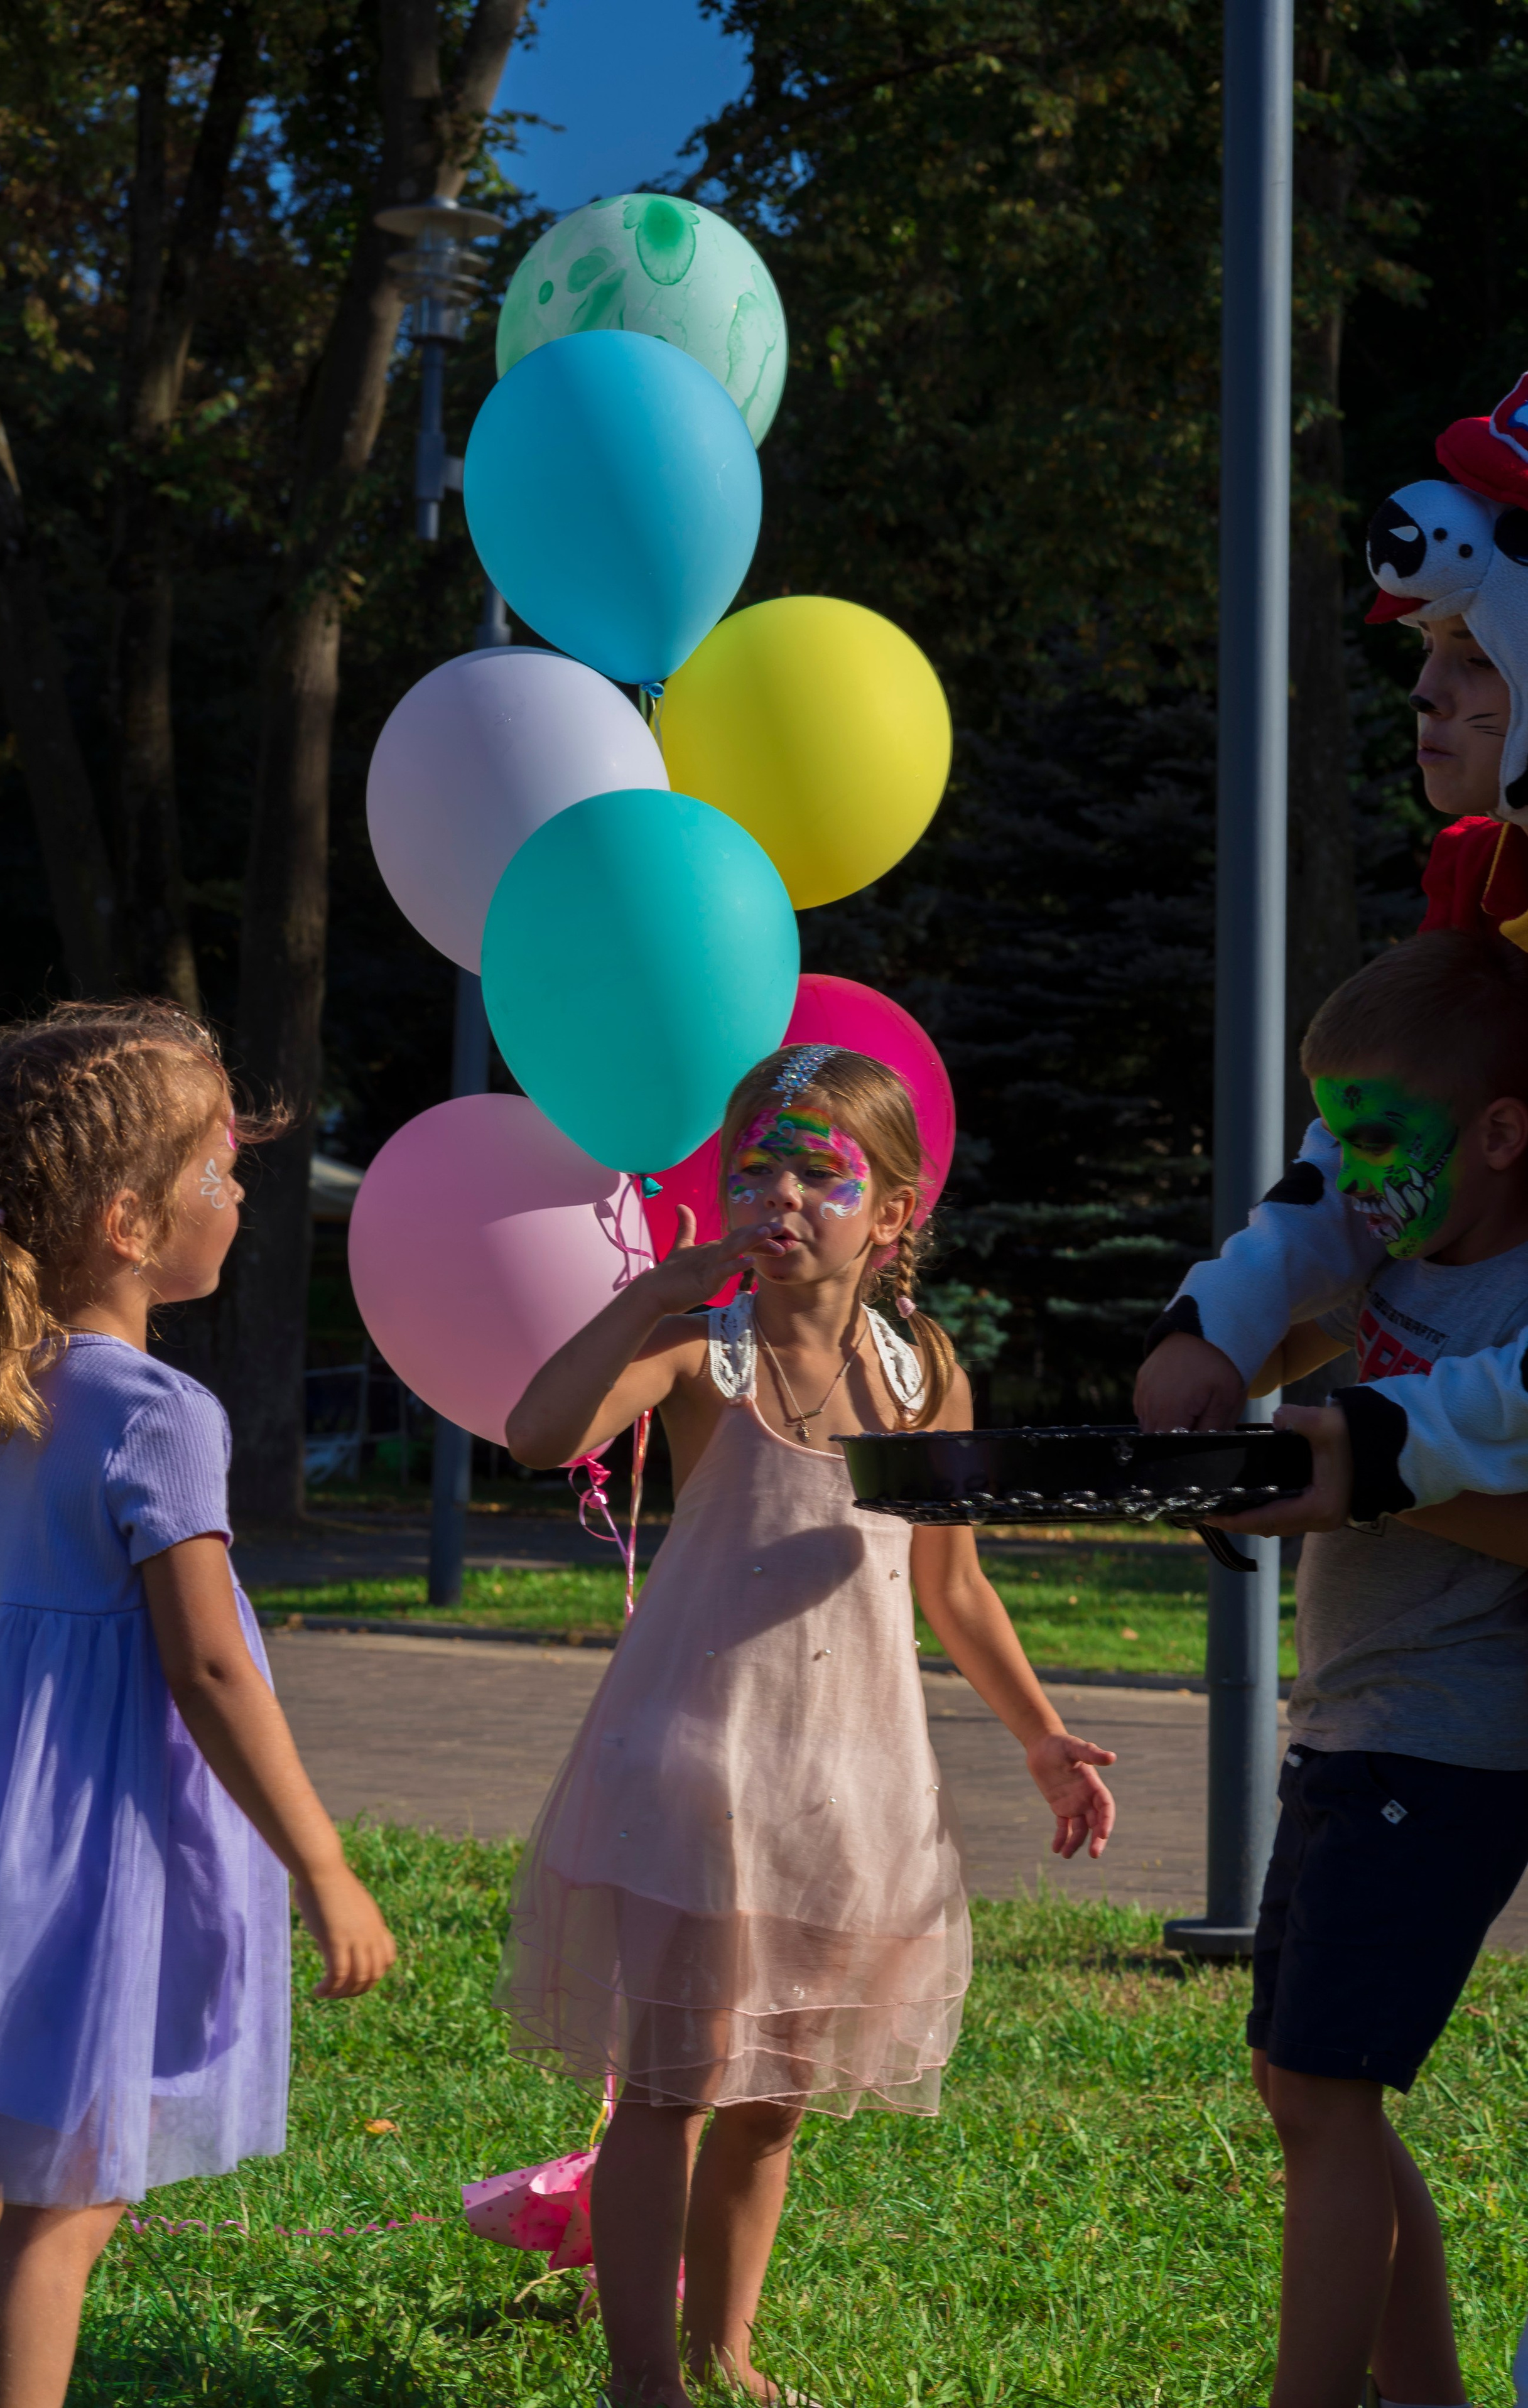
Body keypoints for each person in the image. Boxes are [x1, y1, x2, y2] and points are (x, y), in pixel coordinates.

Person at [500, 1042, 1118, 2408]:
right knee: (669, 2079)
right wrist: (654, 1289)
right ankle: (643, 2377)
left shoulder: (919, 1374)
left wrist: (1035, 1733)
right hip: (694, 1766)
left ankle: (726, 2348)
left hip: (847, 1775)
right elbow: (538, 1434)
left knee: (773, 2091)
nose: (777, 1195)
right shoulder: (695, 1348)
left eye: (817, 1174)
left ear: (893, 1212)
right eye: (752, 1168)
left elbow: (947, 1578)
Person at [0, 1002, 396, 2408]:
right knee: (65, 2203)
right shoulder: (156, 1410)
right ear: (129, 1220)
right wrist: (322, 1862)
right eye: (215, 1171)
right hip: (91, 1844)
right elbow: (206, 1665)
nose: (239, 1192)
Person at [1183, 937, 1528, 2408]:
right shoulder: (1393, 1260)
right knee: (1303, 2089)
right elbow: (1282, 1337)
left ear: (1498, 1131)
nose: (1350, 1170)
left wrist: (1356, 1475)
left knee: (1325, 2093)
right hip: (1352, 1723)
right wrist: (1213, 1376)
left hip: (1442, 1742)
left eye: (1376, 1133)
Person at [1137, 374, 1528, 1525]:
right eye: (1426, 648)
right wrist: (1221, 1319)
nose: (1425, 690)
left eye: (1474, 654)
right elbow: (1379, 1133)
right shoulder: (1484, 872)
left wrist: (1378, 1446)